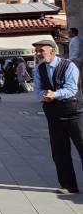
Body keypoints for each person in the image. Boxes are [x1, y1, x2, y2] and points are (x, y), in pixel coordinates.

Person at [33, 39, 83, 194]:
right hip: (53, 113)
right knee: (59, 151)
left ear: (52, 51)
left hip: (73, 111)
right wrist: (44, 95)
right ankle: (68, 185)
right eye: (37, 51)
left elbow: (71, 88)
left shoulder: (68, 65)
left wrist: (54, 94)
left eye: (41, 51)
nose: (38, 54)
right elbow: (37, 89)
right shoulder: (39, 69)